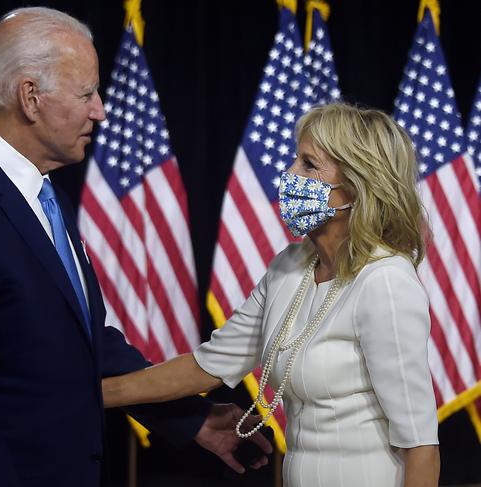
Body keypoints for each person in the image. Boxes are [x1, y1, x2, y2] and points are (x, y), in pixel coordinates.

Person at [0, 7, 270, 487]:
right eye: (87, 93)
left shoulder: (49, 199)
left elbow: (88, 346)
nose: (101, 110)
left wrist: (189, 419)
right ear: (30, 97)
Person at [103, 103, 441, 487]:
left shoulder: (385, 281)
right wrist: (88, 394)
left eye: (309, 165)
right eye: (296, 160)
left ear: (357, 186)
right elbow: (204, 366)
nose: (290, 175)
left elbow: (421, 447)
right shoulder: (289, 267)